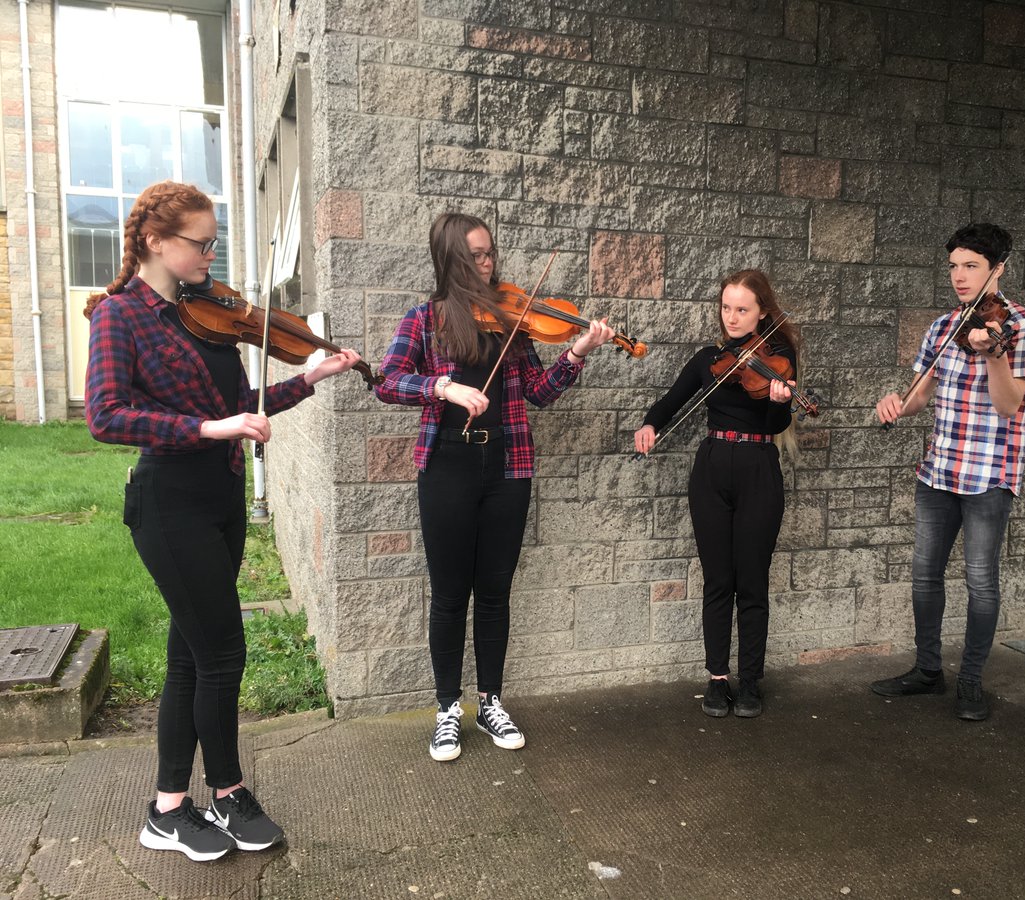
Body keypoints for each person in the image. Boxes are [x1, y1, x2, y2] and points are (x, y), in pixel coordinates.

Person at [85, 181, 363, 861]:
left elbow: (244, 402)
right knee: (222, 654)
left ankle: (170, 808)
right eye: (200, 243)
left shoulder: (202, 311)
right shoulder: (119, 316)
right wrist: (208, 427)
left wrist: (312, 376)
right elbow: (106, 415)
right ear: (155, 241)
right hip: (169, 504)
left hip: (221, 500)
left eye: (214, 241)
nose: (212, 253)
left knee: (190, 655)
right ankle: (230, 793)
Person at [374, 212, 614, 762]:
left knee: (496, 591)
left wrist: (576, 353)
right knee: (451, 593)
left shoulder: (512, 318)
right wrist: (443, 388)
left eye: (490, 254)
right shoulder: (424, 320)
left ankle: (490, 701)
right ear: (451, 259)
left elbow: (538, 391)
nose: (487, 264)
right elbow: (387, 382)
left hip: (508, 467)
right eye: (476, 256)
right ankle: (446, 710)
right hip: (448, 468)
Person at [870, 223, 1025, 721]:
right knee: (925, 576)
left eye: (971, 266)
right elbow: (921, 391)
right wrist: (896, 405)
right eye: (954, 266)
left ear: (997, 269)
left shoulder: (1022, 326)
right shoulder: (943, 327)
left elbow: (1010, 405)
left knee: (981, 581)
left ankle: (970, 682)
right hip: (939, 471)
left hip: (990, 474)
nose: (960, 276)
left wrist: (994, 355)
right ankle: (928, 671)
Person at [633, 269, 800, 718]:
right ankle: (716, 679)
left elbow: (775, 426)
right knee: (717, 579)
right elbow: (671, 400)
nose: (732, 316)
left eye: (742, 309)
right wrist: (651, 424)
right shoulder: (709, 359)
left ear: (762, 312)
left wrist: (779, 404)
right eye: (726, 307)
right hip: (711, 470)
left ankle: (750, 681)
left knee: (752, 581)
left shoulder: (779, 361)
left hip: (759, 468)